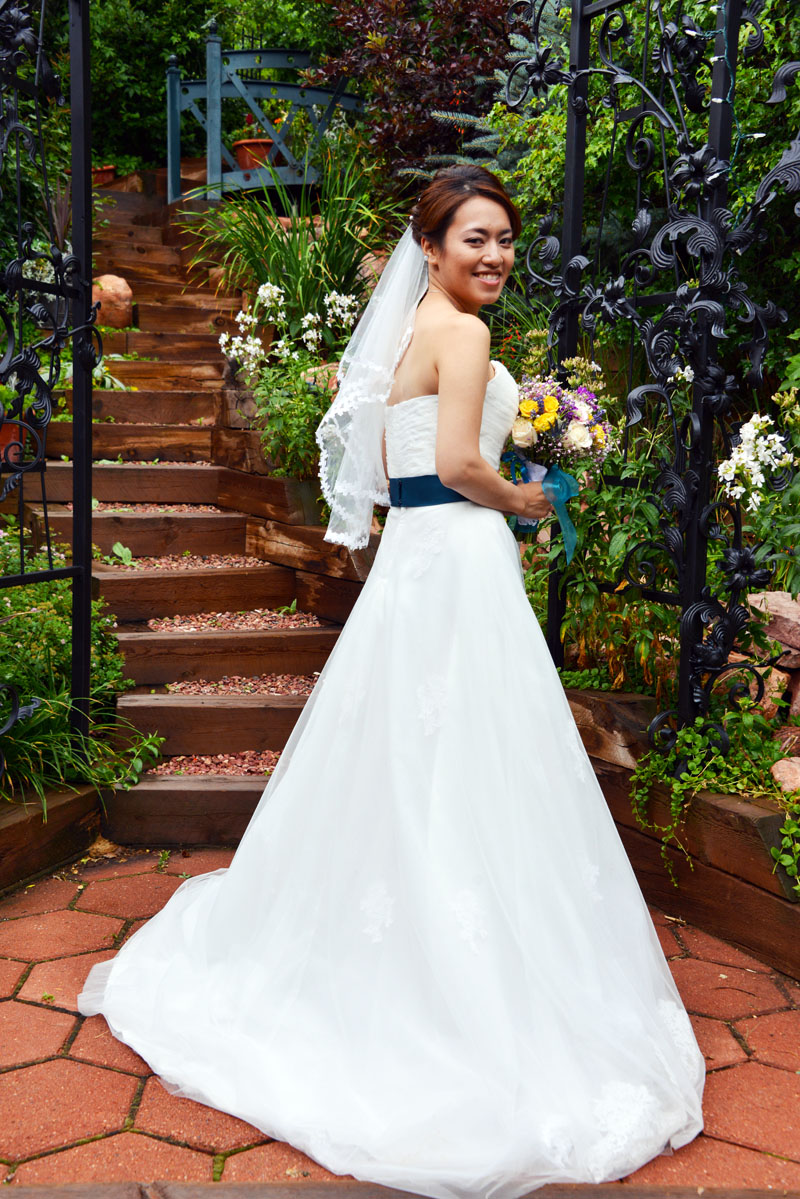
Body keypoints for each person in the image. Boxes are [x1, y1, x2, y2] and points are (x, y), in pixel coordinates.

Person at [79, 165, 704, 1199]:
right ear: (431, 246)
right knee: (470, 748)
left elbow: (402, 458)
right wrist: (528, 499)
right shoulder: (466, 334)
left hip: (418, 553)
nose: (495, 254)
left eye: (504, 237)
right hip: (456, 551)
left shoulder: (415, 324)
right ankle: (462, 973)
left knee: (411, 749)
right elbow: (457, 463)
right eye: (475, 238)